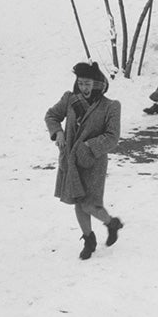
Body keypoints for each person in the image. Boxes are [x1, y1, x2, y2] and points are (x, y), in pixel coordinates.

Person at [45, 61, 124, 261]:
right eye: (81, 83)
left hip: (93, 163)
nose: (84, 88)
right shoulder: (70, 99)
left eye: (88, 84)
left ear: (97, 84)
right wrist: (58, 133)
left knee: (89, 204)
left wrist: (89, 146)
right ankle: (89, 239)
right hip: (70, 161)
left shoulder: (111, 107)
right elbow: (51, 116)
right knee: (77, 202)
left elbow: (112, 137)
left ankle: (110, 223)